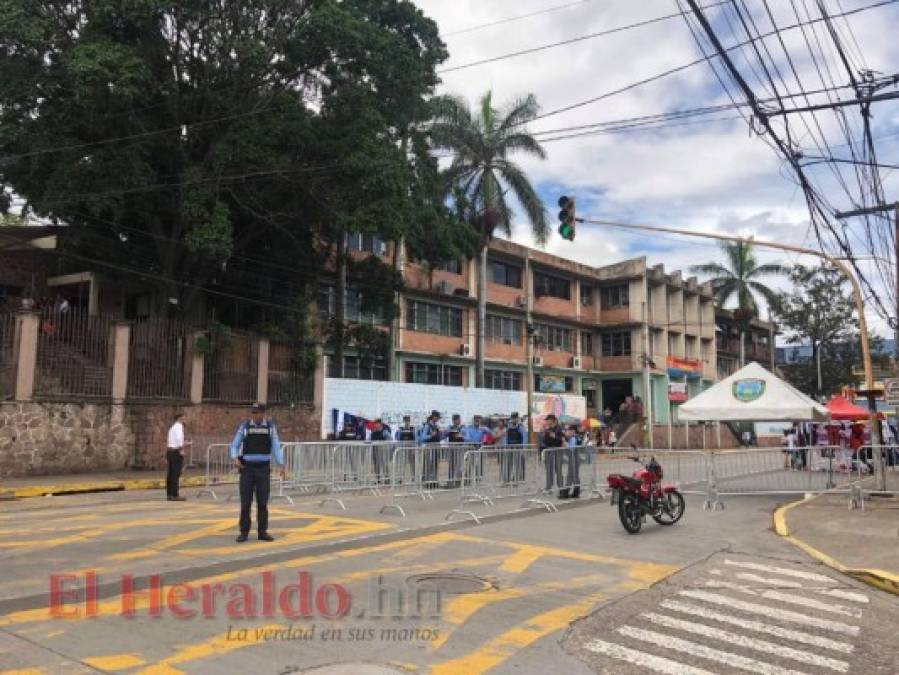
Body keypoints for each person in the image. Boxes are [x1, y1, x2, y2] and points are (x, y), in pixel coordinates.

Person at [229, 403, 284, 542]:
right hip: (247, 469)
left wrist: (281, 464)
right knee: (245, 503)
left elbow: (276, 446)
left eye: (258, 413)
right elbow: (235, 444)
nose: (255, 415)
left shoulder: (270, 428)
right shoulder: (245, 427)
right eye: (253, 413)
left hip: (263, 469)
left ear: (264, 413)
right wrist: (235, 457)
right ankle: (244, 532)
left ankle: (262, 531)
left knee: (263, 502)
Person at [541, 414, 566, 497]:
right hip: (549, 451)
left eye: (548, 420)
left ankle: (561, 488)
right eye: (547, 420)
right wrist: (544, 433)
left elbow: (562, 440)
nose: (547, 421)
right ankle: (549, 487)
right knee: (549, 470)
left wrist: (555, 436)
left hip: (558, 452)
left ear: (553, 420)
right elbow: (545, 441)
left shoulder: (559, 429)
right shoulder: (548, 429)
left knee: (558, 470)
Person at [500, 412, 528, 484]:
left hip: (518, 448)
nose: (513, 420)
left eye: (515, 418)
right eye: (512, 418)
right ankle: (507, 480)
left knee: (517, 464)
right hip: (509, 448)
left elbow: (524, 437)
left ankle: (516, 479)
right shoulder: (508, 427)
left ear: (517, 418)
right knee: (508, 464)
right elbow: (505, 437)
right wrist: (504, 446)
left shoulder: (520, 427)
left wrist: (523, 448)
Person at [165, 412, 187, 501]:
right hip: (175, 452)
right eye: (184, 418)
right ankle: (175, 494)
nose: (185, 420)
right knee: (175, 474)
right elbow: (178, 439)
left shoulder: (172, 427)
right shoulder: (179, 427)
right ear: (180, 419)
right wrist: (181, 449)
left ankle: (169, 494)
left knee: (170, 474)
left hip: (170, 451)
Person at [418, 410, 442, 487]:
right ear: (434, 417)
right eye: (437, 417)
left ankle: (434, 480)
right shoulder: (427, 426)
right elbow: (422, 438)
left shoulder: (437, 426)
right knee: (428, 464)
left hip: (436, 447)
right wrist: (431, 435)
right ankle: (427, 481)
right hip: (429, 448)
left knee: (435, 464)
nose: (438, 419)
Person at [368, 418, 392, 484]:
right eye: (375, 423)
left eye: (377, 423)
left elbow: (390, 440)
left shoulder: (385, 432)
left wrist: (386, 446)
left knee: (384, 465)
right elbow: (368, 440)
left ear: (380, 424)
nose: (376, 425)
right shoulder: (373, 432)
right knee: (376, 465)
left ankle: (387, 479)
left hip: (383, 451)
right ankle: (377, 479)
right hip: (375, 450)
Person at [445, 414, 466, 487]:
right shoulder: (449, 427)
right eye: (457, 419)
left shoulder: (463, 428)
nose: (459, 421)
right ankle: (450, 481)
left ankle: (458, 481)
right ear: (454, 420)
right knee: (451, 465)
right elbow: (445, 434)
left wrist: (462, 436)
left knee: (460, 465)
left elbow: (467, 437)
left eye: (459, 419)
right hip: (451, 449)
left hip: (460, 449)